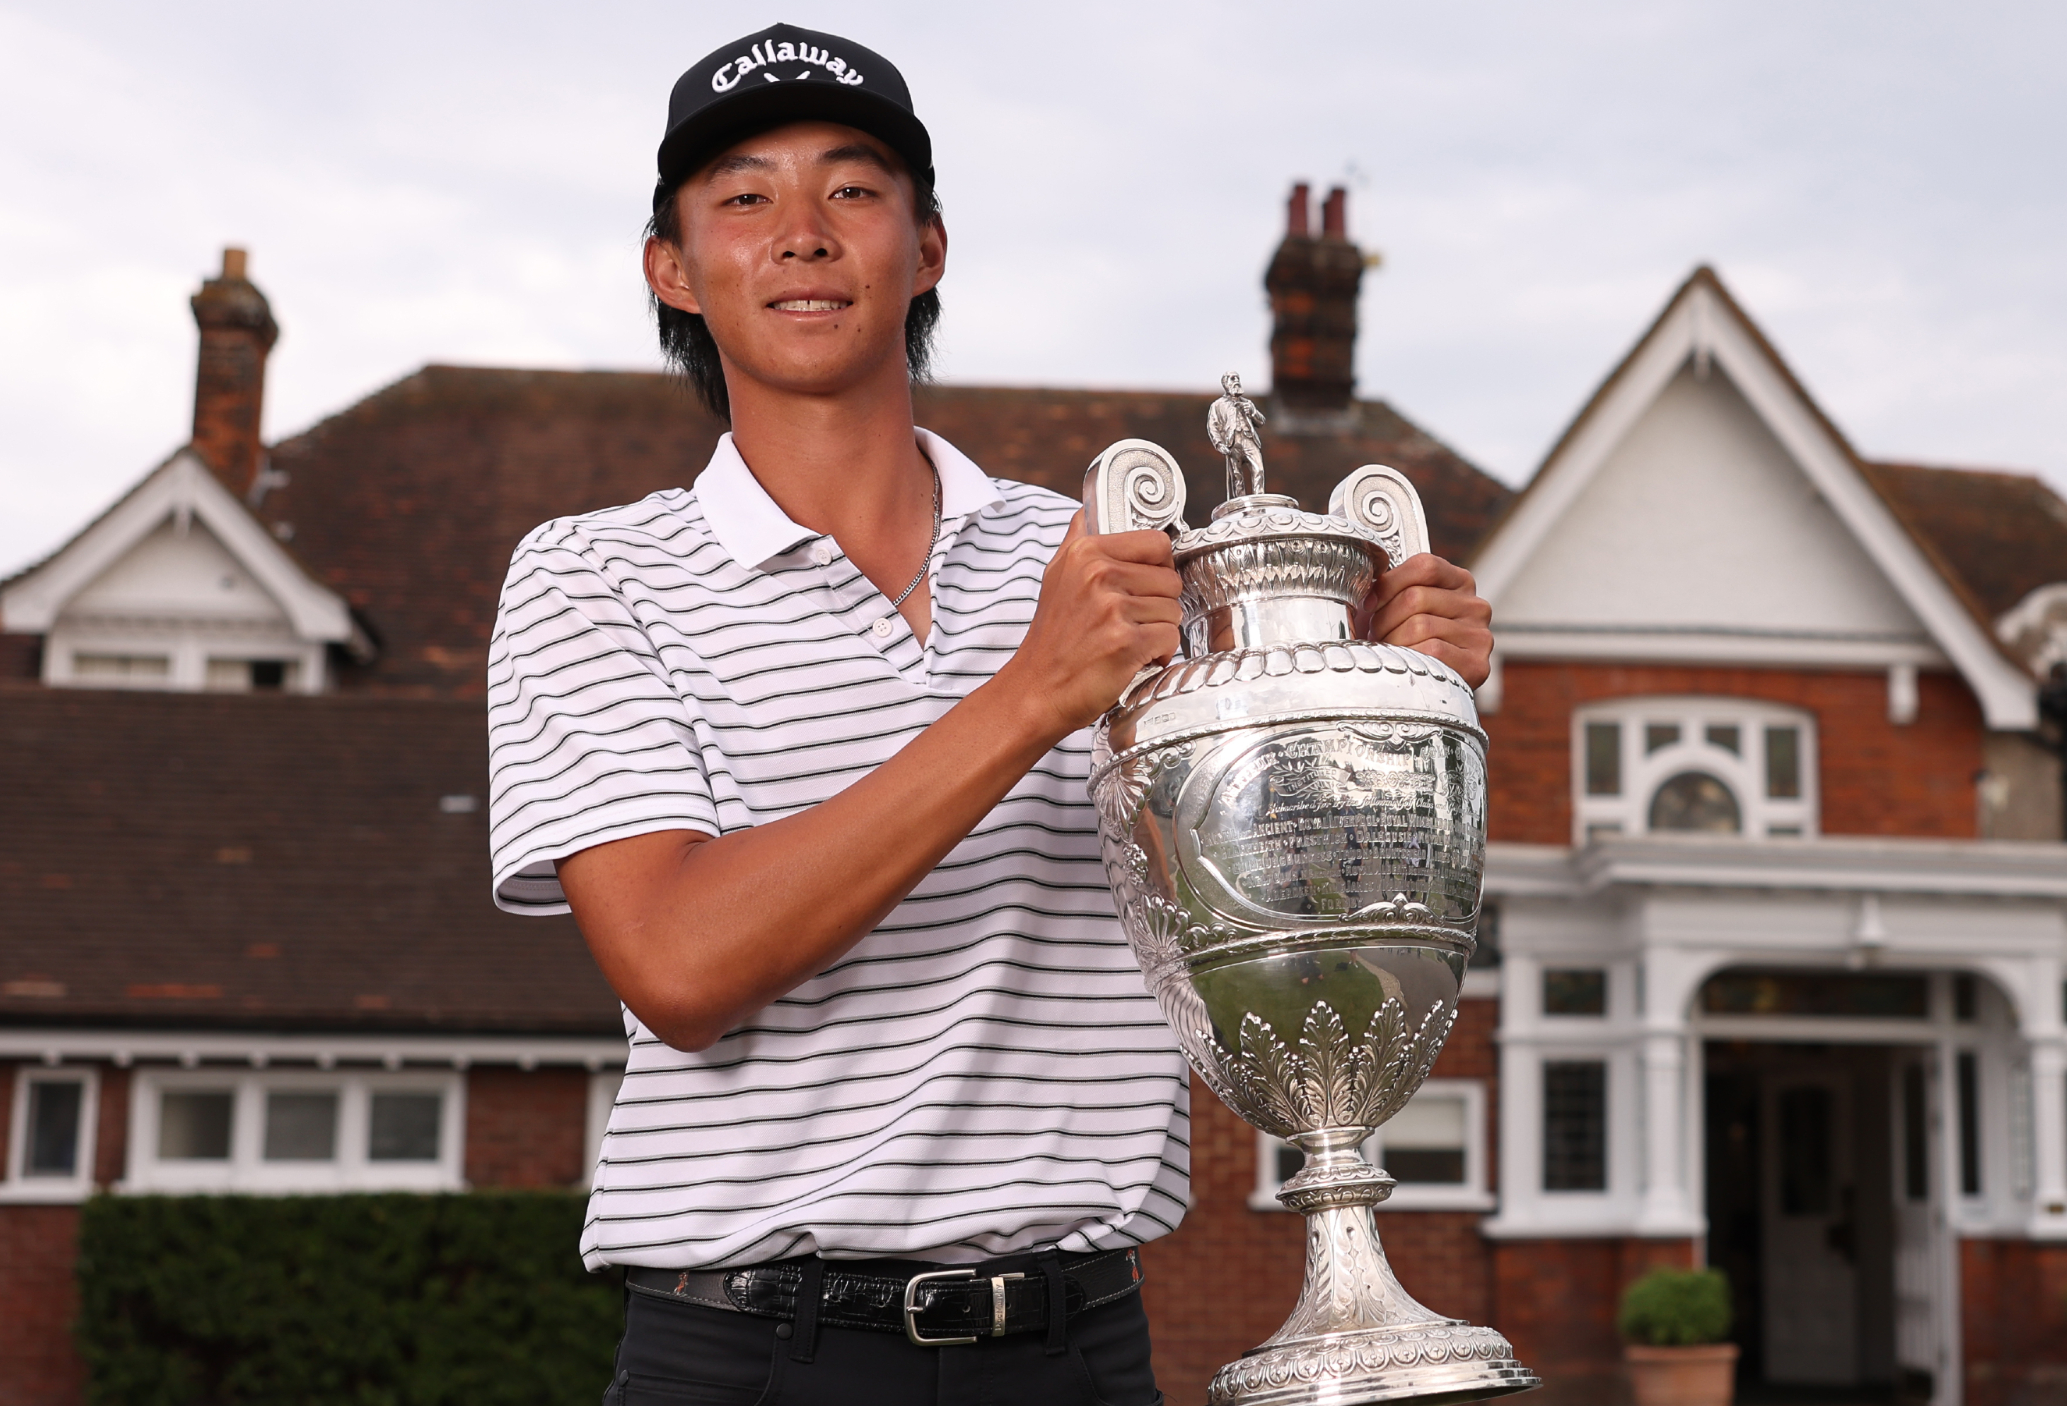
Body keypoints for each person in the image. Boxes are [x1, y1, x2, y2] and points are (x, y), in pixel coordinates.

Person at [485, 24, 1495, 1405]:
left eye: (852, 189)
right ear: (673, 267)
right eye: (742, 196)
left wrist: (1373, 703)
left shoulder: (1112, 570)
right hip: (746, 1358)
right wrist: (1029, 696)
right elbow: (677, 963)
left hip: (1077, 1347)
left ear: (929, 247)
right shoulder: (590, 576)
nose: (801, 233)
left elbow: (1277, 911)